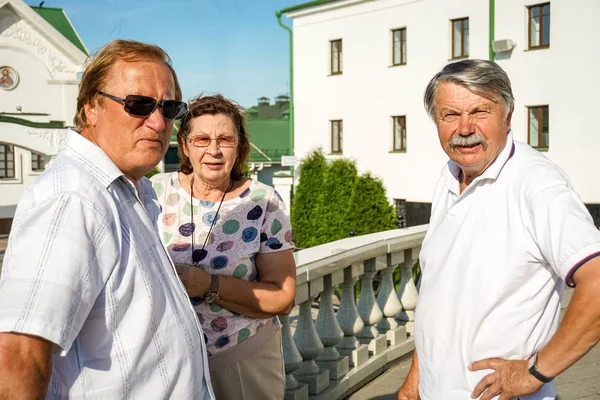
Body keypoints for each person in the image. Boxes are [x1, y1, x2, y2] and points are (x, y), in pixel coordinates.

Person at [0, 40, 215, 399]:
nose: (159, 122)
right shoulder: (74, 198)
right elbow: (18, 355)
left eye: (170, 107)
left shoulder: (124, 188)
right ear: (90, 108)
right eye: (139, 105)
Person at [398, 59, 600, 400]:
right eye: (450, 115)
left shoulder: (536, 183)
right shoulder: (451, 175)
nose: (464, 128)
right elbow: (440, 289)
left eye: (480, 111)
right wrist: (417, 378)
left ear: (508, 116)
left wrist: (535, 372)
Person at [150, 94, 296, 400]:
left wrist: (207, 284)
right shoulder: (154, 191)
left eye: (225, 139)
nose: (213, 150)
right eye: (202, 139)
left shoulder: (263, 201)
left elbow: (282, 299)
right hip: (165, 360)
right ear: (186, 146)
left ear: (239, 146)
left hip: (240, 357)